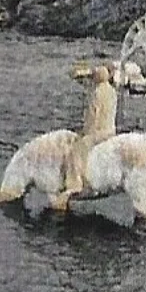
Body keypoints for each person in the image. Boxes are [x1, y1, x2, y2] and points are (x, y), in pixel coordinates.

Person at [51, 63, 117, 211]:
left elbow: (93, 116)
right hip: (111, 130)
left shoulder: (97, 93)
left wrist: (85, 133)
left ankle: (75, 184)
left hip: (99, 133)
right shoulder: (112, 91)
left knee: (76, 150)